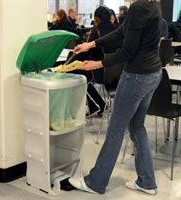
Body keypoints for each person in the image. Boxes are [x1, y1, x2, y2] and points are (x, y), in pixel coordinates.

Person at [69, 0, 162, 195]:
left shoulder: (139, 8)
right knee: (136, 126)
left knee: (115, 129)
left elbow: (127, 51)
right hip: (153, 74)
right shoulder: (153, 6)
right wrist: (91, 44)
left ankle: (96, 182)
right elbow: (121, 32)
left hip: (137, 76)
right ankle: (147, 181)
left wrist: (97, 64)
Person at [71, 6, 118, 116]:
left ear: (96, 19)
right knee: (84, 74)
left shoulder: (96, 32)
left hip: (101, 71)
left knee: (76, 74)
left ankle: (95, 105)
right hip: (118, 75)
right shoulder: (118, 31)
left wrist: (68, 65)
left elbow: (84, 54)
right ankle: (99, 104)